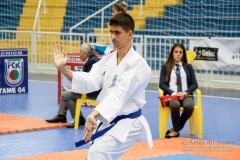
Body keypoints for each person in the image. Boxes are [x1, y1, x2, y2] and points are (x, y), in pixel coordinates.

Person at [53, 13, 153, 159]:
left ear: (130, 34)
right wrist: (64, 69)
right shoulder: (108, 60)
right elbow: (90, 80)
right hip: (108, 119)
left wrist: (94, 114)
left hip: (128, 122)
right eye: (111, 32)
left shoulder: (138, 65)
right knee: (94, 154)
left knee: (97, 154)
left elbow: (120, 94)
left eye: (117, 32)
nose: (113, 37)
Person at [46, 43, 101, 128]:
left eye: (80, 51)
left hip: (92, 92)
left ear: (86, 54)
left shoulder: (92, 62)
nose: (79, 53)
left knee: (66, 95)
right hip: (90, 88)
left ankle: (79, 119)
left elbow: (89, 82)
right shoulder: (91, 60)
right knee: (66, 90)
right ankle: (62, 115)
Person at [159, 43, 198, 138]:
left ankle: (175, 130)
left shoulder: (188, 67)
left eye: (180, 52)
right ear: (172, 53)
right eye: (176, 52)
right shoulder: (165, 67)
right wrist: (173, 93)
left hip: (185, 95)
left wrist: (186, 92)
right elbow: (161, 84)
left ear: (183, 54)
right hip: (171, 96)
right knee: (175, 104)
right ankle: (176, 130)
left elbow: (195, 84)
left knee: (189, 106)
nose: (178, 54)